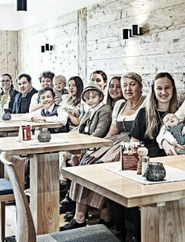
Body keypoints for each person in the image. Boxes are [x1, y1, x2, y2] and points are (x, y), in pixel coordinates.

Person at [61, 72, 146, 229]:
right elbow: (111, 132)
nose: (128, 89)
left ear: (140, 86)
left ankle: (105, 215)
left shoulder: (146, 104)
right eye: (125, 85)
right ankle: (79, 216)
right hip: (115, 141)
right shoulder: (120, 104)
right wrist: (99, 146)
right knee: (87, 160)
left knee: (101, 165)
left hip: (133, 144)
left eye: (132, 85)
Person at [114, 72, 179, 242]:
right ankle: (124, 235)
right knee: (121, 183)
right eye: (159, 88)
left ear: (173, 90)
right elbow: (134, 141)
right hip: (145, 159)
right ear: (153, 90)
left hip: (169, 163)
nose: (163, 92)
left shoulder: (178, 113)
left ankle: (144, 241)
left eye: (167, 88)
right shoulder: (145, 112)